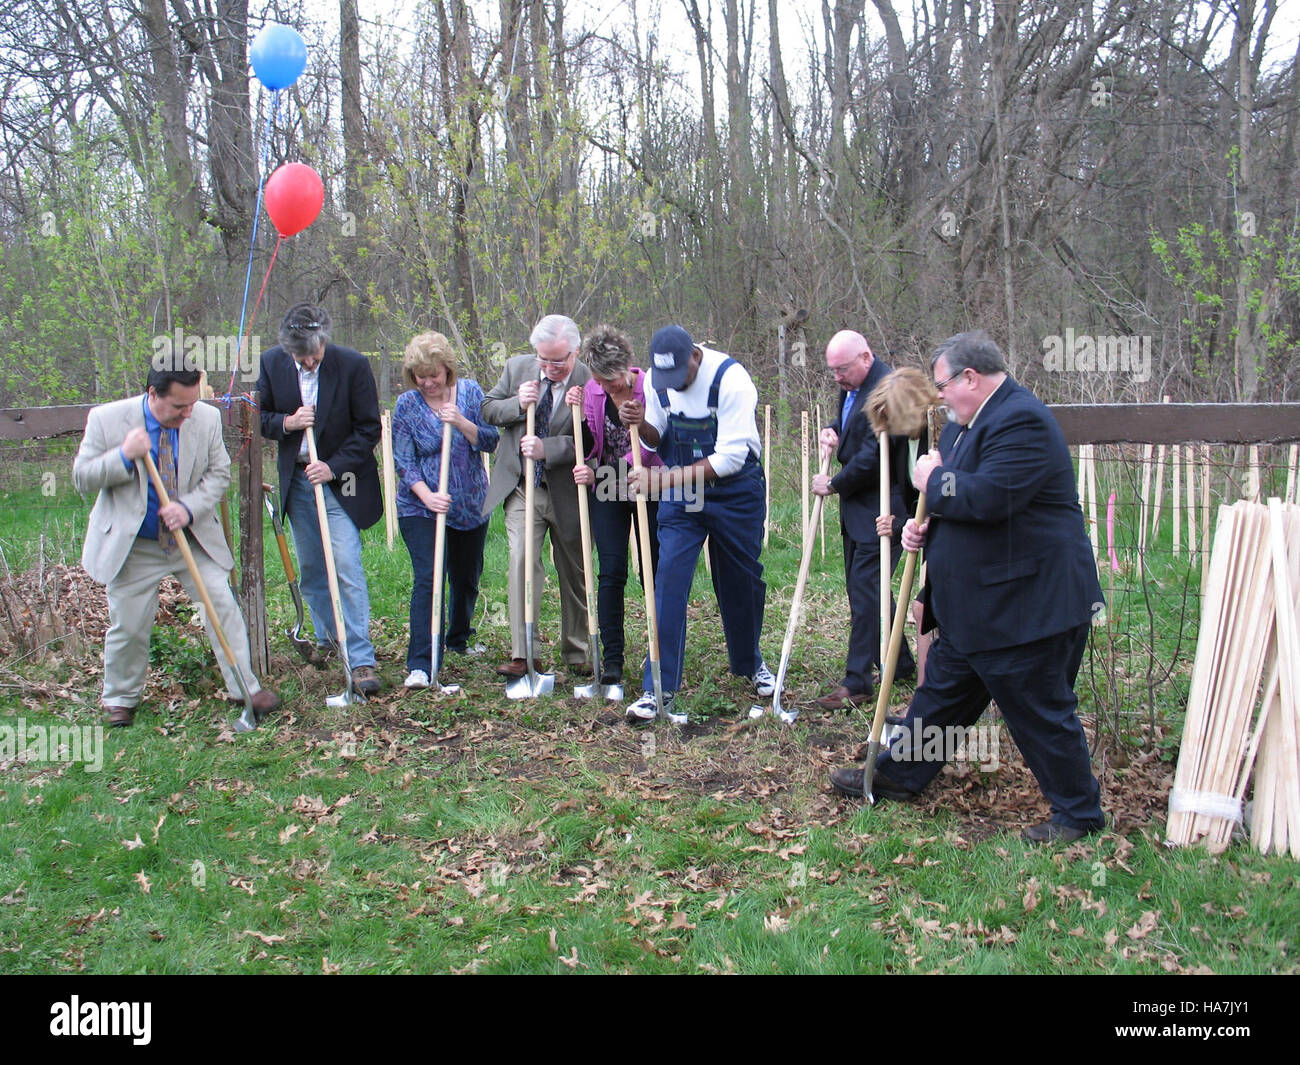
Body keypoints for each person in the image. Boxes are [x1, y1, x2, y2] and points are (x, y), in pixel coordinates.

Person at [830, 330, 1106, 844]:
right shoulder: (961, 426)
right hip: (973, 605)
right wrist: (925, 527)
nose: (938, 397)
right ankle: (900, 774)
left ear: (970, 378)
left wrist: (931, 483)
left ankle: (1078, 813)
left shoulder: (1021, 420)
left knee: (1039, 708)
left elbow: (990, 497)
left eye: (942, 385)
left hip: (1026, 604)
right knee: (944, 698)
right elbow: (958, 508)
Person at [73, 361, 280, 726]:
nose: (188, 414)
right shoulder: (107, 420)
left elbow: (218, 475)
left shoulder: (205, 419)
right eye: (179, 407)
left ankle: (245, 688)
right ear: (153, 394)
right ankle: (120, 698)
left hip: (191, 537)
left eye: (192, 405)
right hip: (136, 543)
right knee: (129, 624)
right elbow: (82, 478)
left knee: (222, 607)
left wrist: (188, 508)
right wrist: (123, 454)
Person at [622, 325, 774, 721]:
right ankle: (658, 688)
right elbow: (656, 441)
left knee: (741, 579)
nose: (675, 384)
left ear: (695, 354)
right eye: (665, 379)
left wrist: (662, 480)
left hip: (735, 491)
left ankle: (749, 661)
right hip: (684, 494)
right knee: (668, 577)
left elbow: (729, 459)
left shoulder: (732, 380)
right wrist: (639, 423)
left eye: (681, 375)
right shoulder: (658, 380)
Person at [257, 304, 384, 695]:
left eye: (314, 353)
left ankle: (361, 658)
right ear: (287, 349)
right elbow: (259, 416)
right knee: (311, 567)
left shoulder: (352, 365)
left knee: (345, 562)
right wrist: (287, 423)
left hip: (340, 480)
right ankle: (330, 641)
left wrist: (331, 466)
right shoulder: (271, 364)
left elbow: (368, 429)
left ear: (324, 340)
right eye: (301, 356)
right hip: (296, 481)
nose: (309, 361)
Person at [481, 314, 592, 677]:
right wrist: (516, 403)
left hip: (567, 490)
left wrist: (550, 448)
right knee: (521, 560)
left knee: (574, 569)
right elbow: (487, 409)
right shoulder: (517, 369)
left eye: (558, 360)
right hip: (523, 486)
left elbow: (594, 443)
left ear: (575, 352)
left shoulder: (588, 381)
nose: (549, 367)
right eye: (543, 359)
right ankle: (524, 652)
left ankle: (578, 650)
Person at [812, 330, 918, 710]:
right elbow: (850, 425)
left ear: (866, 358)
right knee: (871, 592)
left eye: (842, 370)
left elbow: (876, 456)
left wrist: (834, 484)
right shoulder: (853, 384)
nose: (837, 378)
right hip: (856, 511)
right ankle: (902, 663)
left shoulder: (890, 391)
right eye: (833, 371)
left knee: (865, 593)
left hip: (884, 510)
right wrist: (832, 429)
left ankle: (857, 682)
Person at [392, 332, 499, 688]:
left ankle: (458, 637)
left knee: (466, 577)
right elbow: (403, 462)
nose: (428, 382)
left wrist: (462, 423)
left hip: (470, 501)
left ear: (447, 370)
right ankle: (421, 664)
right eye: (420, 376)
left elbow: (491, 439)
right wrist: (427, 497)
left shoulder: (469, 392)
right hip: (421, 506)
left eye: (434, 374)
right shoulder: (407, 405)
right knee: (430, 578)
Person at [564, 325, 661, 687]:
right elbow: (591, 440)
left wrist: (642, 423)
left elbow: (662, 439)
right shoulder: (592, 391)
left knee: (653, 568)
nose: (606, 388)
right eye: (599, 381)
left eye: (611, 381)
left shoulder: (650, 387)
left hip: (650, 483)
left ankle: (659, 652)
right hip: (607, 484)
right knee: (611, 570)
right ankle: (613, 661)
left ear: (626, 368)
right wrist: (588, 466)